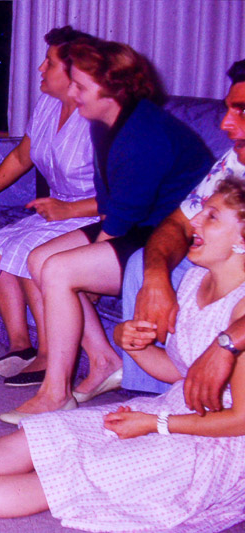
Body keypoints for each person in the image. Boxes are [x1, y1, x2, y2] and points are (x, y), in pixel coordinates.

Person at [0, 180, 245, 531]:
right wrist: (131, 343)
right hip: (173, 412)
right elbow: (180, 372)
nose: (193, 221)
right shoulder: (193, 281)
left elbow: (239, 420)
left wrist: (154, 424)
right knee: (52, 433)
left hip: (215, 448)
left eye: (211, 217)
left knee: (76, 474)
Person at [0, 38, 214, 423]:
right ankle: (103, 360)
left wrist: (88, 271)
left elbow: (123, 220)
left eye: (81, 86)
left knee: (59, 269)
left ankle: (55, 394)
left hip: (171, 236)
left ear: (113, 90)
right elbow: (109, 199)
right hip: (138, 223)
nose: (73, 93)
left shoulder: (145, 136)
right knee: (38, 258)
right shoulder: (102, 123)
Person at [0, 27, 98, 384]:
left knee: (29, 251)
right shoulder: (48, 103)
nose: (40, 69)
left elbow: (123, 195)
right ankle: (20, 345)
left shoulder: (97, 115)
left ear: (75, 73)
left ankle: (49, 354)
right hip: (55, 207)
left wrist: (67, 210)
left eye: (49, 63)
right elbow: (22, 156)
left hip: (91, 212)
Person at [125, 58, 245, 402]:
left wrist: (228, 342)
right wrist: (155, 278)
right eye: (228, 109)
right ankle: (156, 395)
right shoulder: (235, 160)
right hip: (228, 259)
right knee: (142, 263)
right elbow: (178, 222)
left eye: (242, 111)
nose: (225, 124)